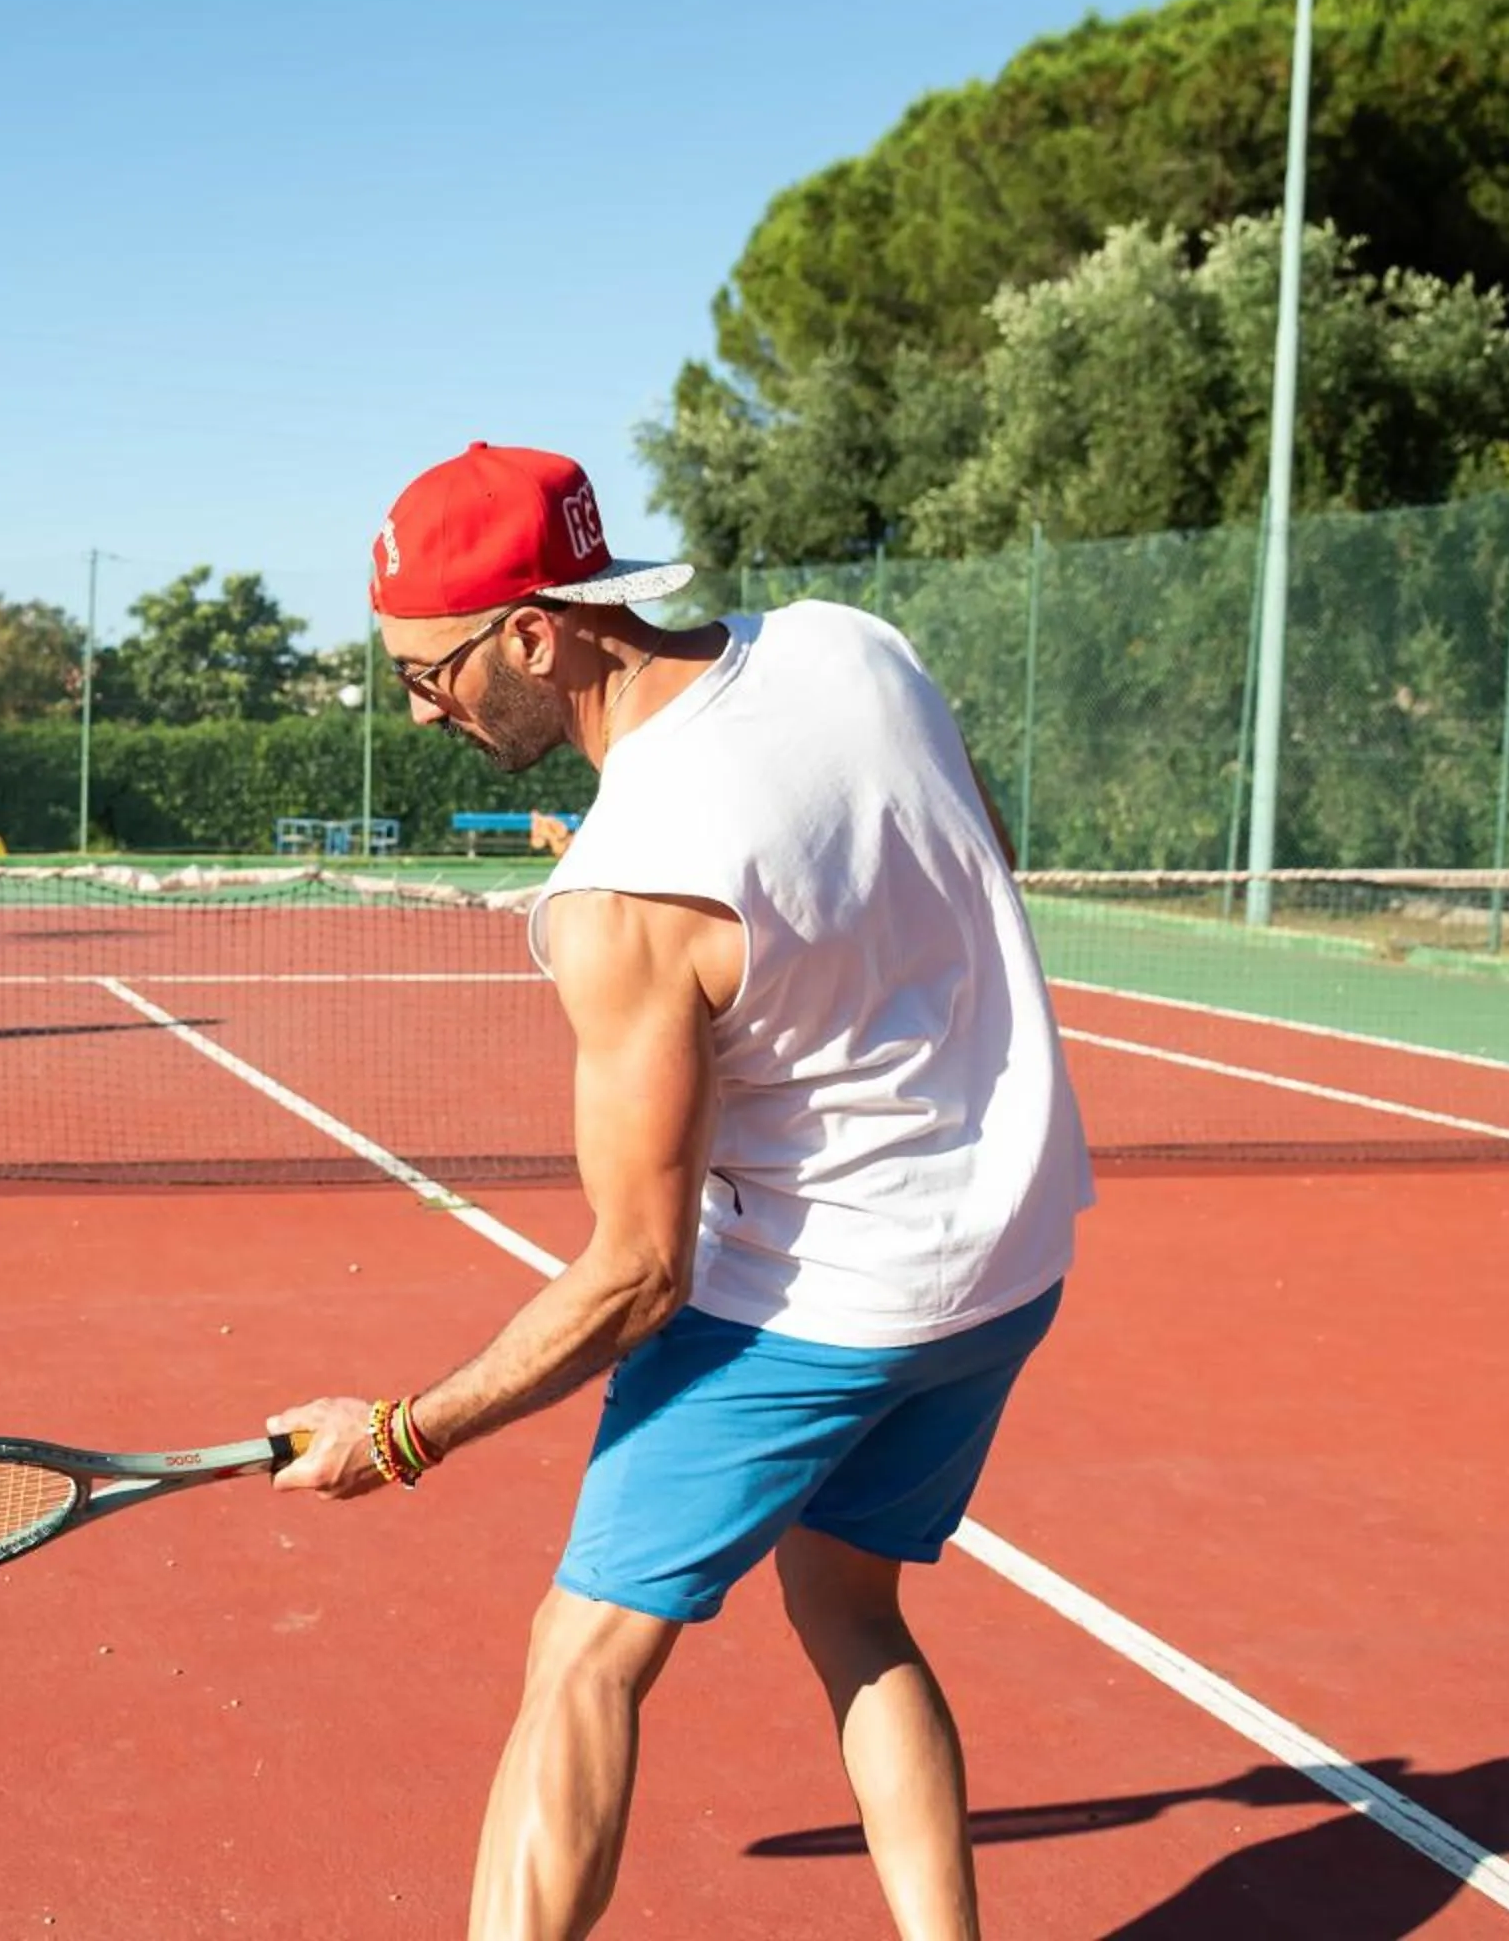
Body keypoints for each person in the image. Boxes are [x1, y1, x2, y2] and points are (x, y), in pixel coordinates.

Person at [268, 443, 1091, 1941]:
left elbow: (638, 1276)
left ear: (537, 630)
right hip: (1013, 1258)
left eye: (429, 673)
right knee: (850, 1608)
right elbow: (983, 859)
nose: (416, 708)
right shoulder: (856, 645)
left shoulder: (627, 888)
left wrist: (398, 1435)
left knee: (582, 1662)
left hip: (818, 1310)